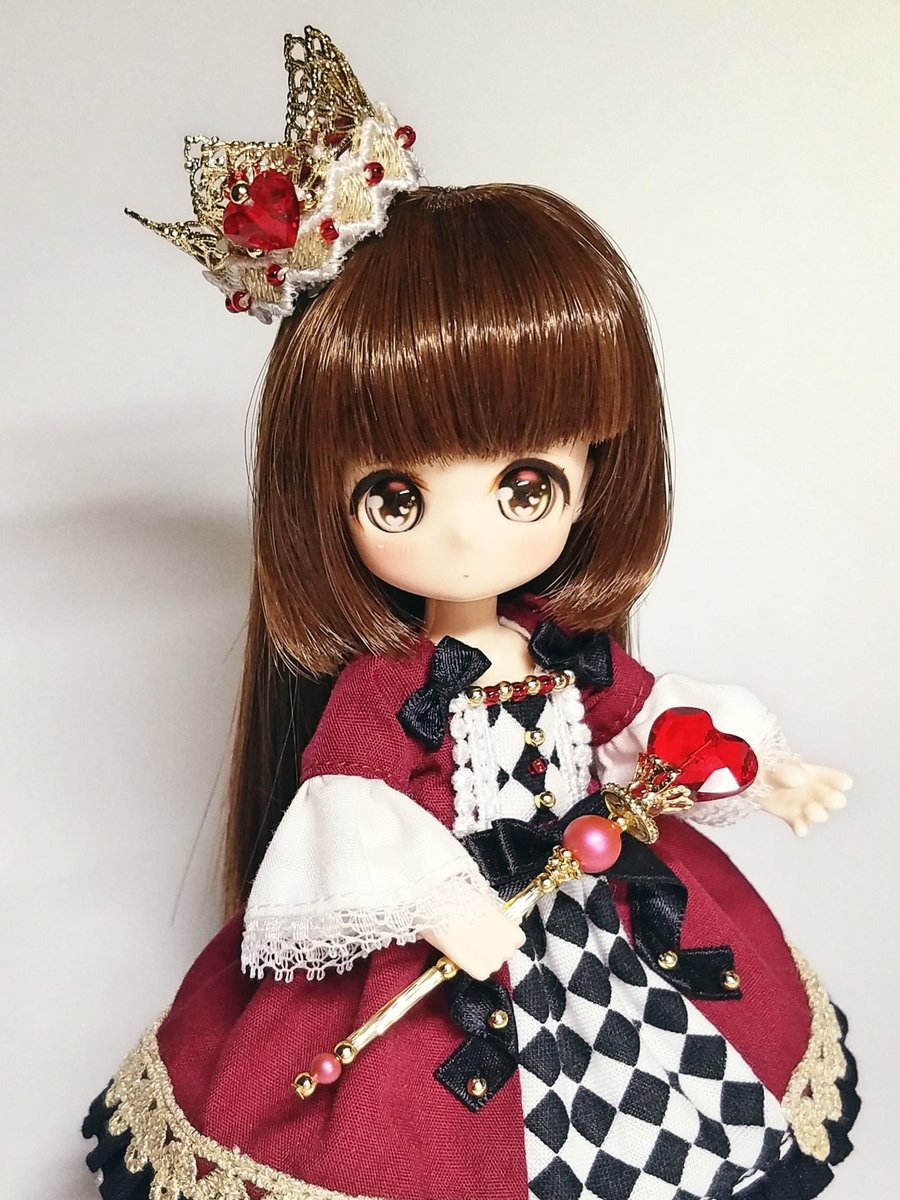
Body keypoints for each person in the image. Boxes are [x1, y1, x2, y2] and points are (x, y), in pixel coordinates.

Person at [83, 28, 858, 1200]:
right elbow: (351, 811)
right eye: (396, 498)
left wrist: (759, 764)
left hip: (595, 902)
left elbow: (659, 728)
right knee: (438, 1130)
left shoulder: (567, 652)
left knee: (665, 1070)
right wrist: (442, 905)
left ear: (599, 467)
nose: (463, 535)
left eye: (522, 485)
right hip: (457, 934)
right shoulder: (388, 692)